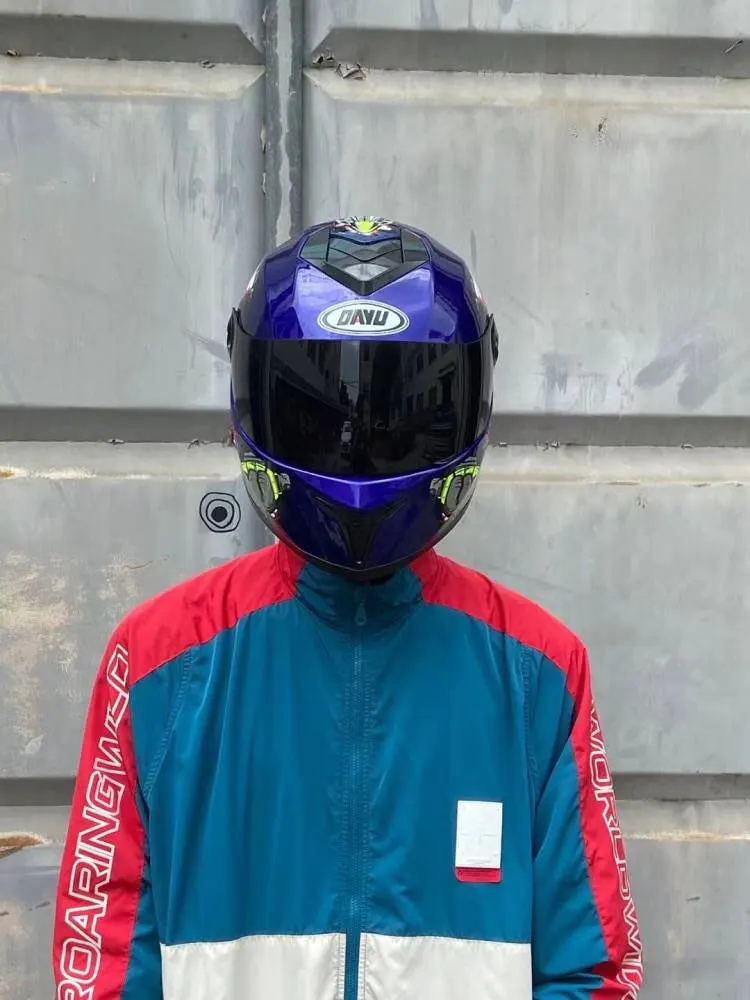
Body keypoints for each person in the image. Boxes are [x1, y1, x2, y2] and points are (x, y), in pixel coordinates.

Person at [52, 217, 643, 999]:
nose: (358, 442)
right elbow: (103, 966)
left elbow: (591, 972)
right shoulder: (160, 661)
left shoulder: (537, 672)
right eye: (324, 414)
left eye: (395, 417)